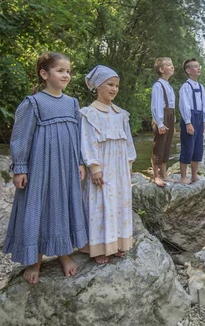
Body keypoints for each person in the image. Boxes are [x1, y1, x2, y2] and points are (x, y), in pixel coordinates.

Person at [3, 52, 88, 284]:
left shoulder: (72, 103)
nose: (66, 75)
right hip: (40, 167)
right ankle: (35, 260)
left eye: (68, 71)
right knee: (37, 208)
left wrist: (81, 161)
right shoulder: (33, 103)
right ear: (44, 74)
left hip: (67, 167)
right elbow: (21, 137)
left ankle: (64, 253)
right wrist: (20, 167)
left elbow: (79, 135)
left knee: (63, 206)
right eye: (60, 70)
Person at [80, 65, 137, 264]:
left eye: (116, 85)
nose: (114, 89)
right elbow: (87, 141)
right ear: (98, 86)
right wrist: (94, 167)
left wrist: (129, 164)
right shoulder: (90, 114)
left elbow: (128, 141)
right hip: (102, 167)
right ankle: (99, 247)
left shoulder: (121, 114)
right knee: (100, 203)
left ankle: (117, 244)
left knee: (119, 204)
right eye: (109, 84)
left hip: (120, 168)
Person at [178, 58, 205, 184]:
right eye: (195, 67)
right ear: (188, 71)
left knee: (198, 148)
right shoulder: (185, 86)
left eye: (199, 66)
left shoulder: (201, 87)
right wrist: (187, 122)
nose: (199, 68)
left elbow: (204, 103)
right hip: (190, 118)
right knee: (188, 147)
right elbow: (184, 104)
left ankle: (194, 175)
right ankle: (183, 176)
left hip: (199, 118)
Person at [150, 57, 176, 187]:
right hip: (162, 116)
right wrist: (160, 123)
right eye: (169, 65)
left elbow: (172, 105)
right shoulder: (158, 86)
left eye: (172, 65)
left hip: (170, 116)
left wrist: (173, 122)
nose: (172, 66)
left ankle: (164, 174)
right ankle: (156, 175)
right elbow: (156, 105)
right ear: (161, 69)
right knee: (159, 145)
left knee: (167, 145)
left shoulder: (169, 86)